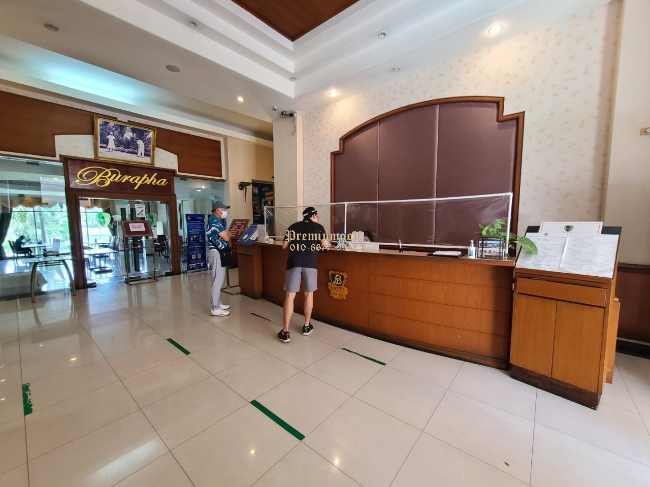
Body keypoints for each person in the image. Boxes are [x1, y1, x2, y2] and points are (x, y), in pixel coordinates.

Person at [278, 207, 330, 343]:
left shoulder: (293, 226)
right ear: (313, 215)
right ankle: (306, 326)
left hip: (294, 263)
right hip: (310, 264)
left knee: (289, 296)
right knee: (309, 295)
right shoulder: (319, 228)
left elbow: (284, 246)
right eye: (316, 215)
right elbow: (325, 245)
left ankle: (285, 332)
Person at [206, 201, 232, 317]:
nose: (225, 212)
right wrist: (226, 234)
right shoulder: (214, 221)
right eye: (223, 209)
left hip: (216, 253)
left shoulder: (215, 220)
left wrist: (226, 234)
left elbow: (226, 235)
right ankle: (215, 308)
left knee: (217, 279)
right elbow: (227, 237)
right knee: (217, 280)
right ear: (217, 210)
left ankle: (218, 303)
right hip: (216, 253)